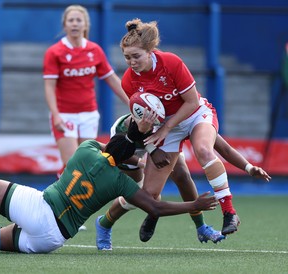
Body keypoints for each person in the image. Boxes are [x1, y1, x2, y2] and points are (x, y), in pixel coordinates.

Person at [0, 121, 218, 254]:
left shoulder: (87, 149)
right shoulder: (121, 180)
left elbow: (111, 145)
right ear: (126, 162)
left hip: (43, 208)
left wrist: (135, 150)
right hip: (54, 239)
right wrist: (195, 205)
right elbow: (155, 206)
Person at [100, 18, 255, 243]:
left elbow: (191, 102)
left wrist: (248, 167)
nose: (131, 62)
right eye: (126, 57)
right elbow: (141, 124)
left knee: (202, 150)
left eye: (136, 56)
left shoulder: (170, 62)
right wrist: (154, 147)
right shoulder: (129, 82)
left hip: (193, 115)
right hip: (160, 130)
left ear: (150, 51)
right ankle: (109, 221)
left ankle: (229, 212)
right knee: (150, 194)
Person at [96, 112, 271, 250]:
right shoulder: (126, 127)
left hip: (163, 141)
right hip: (133, 151)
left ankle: (201, 228)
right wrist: (144, 162)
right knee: (143, 196)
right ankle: (104, 223)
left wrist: (248, 167)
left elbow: (222, 147)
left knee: (182, 176)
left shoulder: (182, 118)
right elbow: (114, 151)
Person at [43, 5, 129, 177]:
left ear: (85, 25)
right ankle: (58, 197)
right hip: (65, 115)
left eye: (78, 20)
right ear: (65, 25)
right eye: (71, 20)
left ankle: (70, 194)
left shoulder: (94, 50)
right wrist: (56, 114)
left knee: (86, 162)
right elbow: (49, 86)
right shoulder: (55, 52)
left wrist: (131, 103)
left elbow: (112, 79)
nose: (74, 24)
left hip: (89, 114)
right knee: (72, 163)